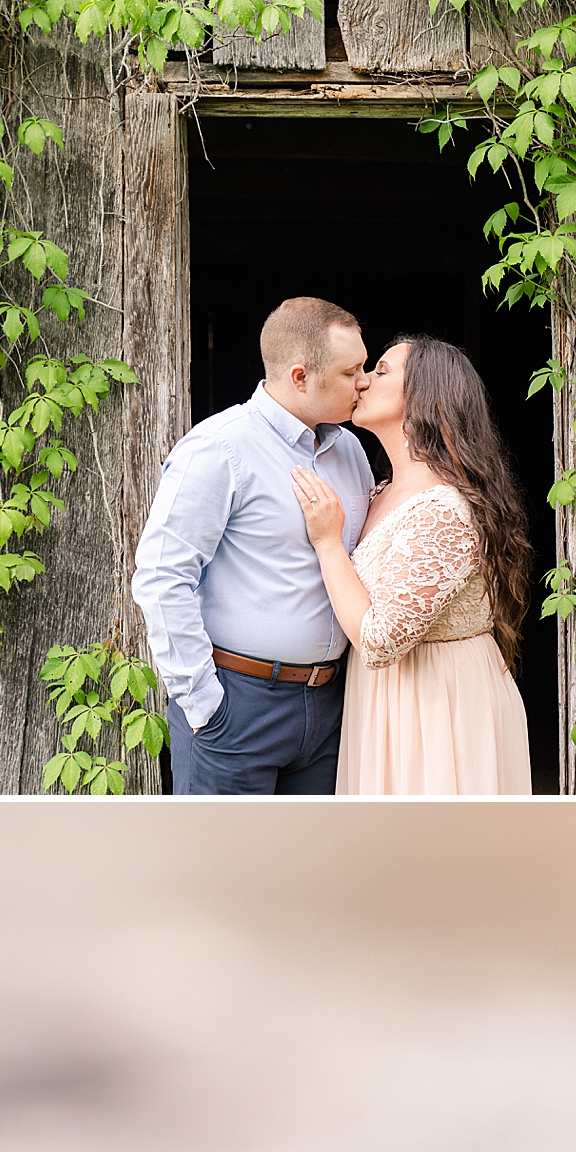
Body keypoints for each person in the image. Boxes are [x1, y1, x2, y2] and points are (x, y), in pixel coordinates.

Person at [132, 297, 374, 794]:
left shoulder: (350, 449)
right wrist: (205, 706)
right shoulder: (219, 448)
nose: (365, 381)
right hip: (238, 706)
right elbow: (161, 577)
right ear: (300, 376)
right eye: (353, 371)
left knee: (313, 869)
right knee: (222, 870)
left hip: (330, 709)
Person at [291, 335, 533, 795]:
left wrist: (327, 542)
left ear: (425, 396)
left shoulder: (445, 508)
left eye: (380, 371)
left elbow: (381, 641)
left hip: (437, 709)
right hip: (387, 701)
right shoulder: (381, 492)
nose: (361, 382)